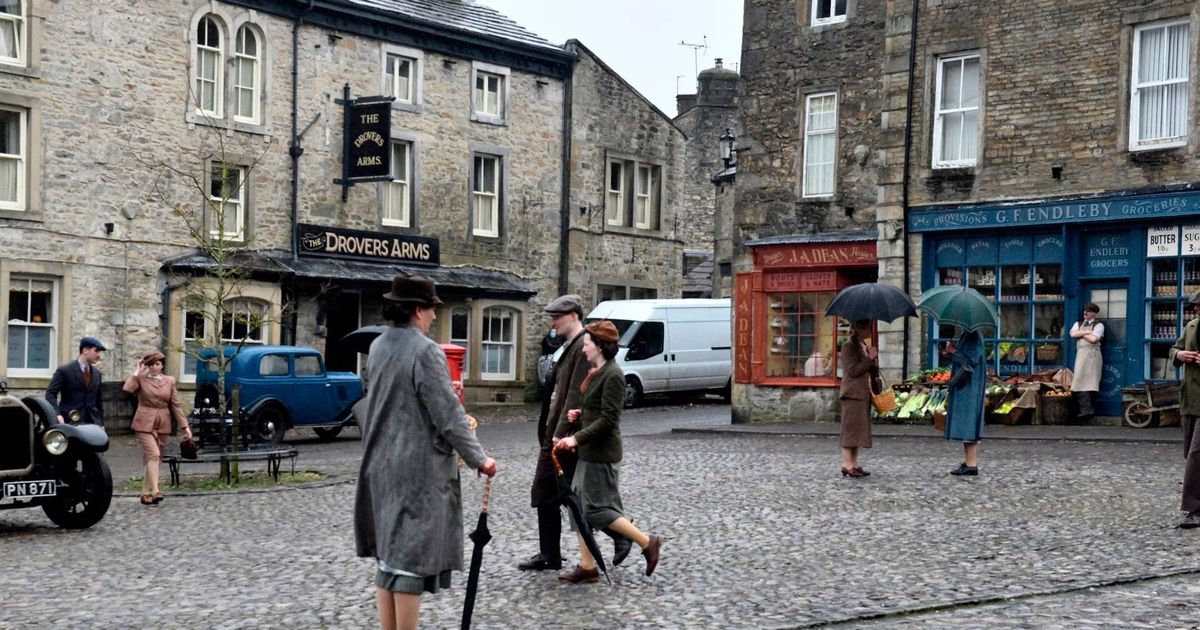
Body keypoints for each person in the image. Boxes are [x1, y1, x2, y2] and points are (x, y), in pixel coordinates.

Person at [353, 274, 497, 630]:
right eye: (431, 309)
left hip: (379, 464)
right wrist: (480, 459)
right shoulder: (425, 351)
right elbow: (449, 415)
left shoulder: (378, 346)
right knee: (408, 563)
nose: (434, 316)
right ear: (417, 310)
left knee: (388, 559)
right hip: (414, 471)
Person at [519, 295, 631, 572]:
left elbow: (573, 395)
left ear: (573, 316)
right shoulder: (571, 345)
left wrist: (560, 435)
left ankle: (619, 536)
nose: (552, 322)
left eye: (557, 317)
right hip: (562, 434)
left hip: (565, 438)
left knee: (557, 493)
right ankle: (556, 553)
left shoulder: (583, 344)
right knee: (562, 494)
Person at [554, 320, 663, 583]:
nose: (584, 349)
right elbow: (597, 410)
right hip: (588, 453)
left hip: (602, 455)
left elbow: (609, 420)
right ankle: (587, 566)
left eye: (587, 344)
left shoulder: (614, 375)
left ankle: (647, 541)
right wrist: (581, 414)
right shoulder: (597, 371)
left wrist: (575, 439)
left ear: (600, 346)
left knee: (595, 510)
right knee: (578, 508)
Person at [123, 350, 192, 505]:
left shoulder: (170, 381)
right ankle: (155, 491)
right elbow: (127, 389)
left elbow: (175, 405)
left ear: (162, 365)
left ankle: (145, 493)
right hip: (144, 422)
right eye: (151, 365)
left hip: (163, 422)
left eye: (157, 364)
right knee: (153, 454)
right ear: (147, 366)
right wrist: (137, 370)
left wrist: (185, 427)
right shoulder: (140, 378)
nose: (154, 367)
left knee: (155, 458)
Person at [1170, 294, 1200, 529]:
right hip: (1191, 399)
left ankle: (1194, 509)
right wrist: (1179, 355)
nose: (1197, 310)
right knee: (1190, 449)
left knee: (1196, 454)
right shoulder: (1191, 326)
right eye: (1196, 307)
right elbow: (1174, 349)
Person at [838, 320, 877, 477]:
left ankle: (854, 464)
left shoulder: (862, 345)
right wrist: (869, 359)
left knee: (857, 431)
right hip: (852, 394)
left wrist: (872, 361)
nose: (869, 331)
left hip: (862, 393)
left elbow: (866, 368)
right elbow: (853, 370)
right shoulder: (848, 346)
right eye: (867, 328)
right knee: (849, 430)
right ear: (858, 329)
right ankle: (847, 464)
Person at [945, 330, 986, 475]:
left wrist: (953, 351)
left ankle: (971, 464)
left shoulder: (975, 336)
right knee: (966, 423)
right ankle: (969, 461)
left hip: (970, 385)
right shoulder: (968, 334)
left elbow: (971, 361)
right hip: (966, 384)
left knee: (969, 422)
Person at [46, 336, 107, 428]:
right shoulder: (64, 370)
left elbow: (98, 401)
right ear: (85, 350)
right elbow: (50, 394)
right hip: (70, 421)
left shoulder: (97, 374)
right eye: (96, 351)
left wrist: (101, 424)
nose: (99, 355)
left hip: (93, 423)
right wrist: (57, 414)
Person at [1069, 303, 1104, 424]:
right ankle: (1082, 411)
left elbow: (1094, 339)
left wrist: (1081, 333)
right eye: (1085, 310)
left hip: (1092, 356)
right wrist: (1087, 332)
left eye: (1088, 311)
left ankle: (1088, 410)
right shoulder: (1078, 324)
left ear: (1094, 313)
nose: (1085, 313)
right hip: (1081, 355)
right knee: (1079, 381)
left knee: (1091, 383)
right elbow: (1072, 334)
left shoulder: (1099, 325)